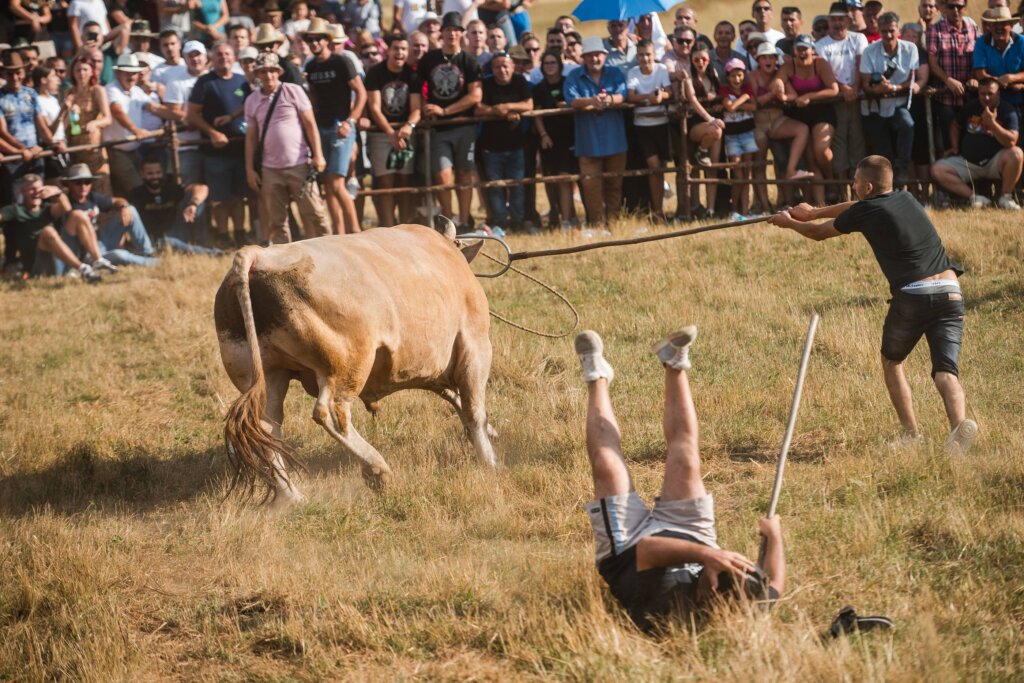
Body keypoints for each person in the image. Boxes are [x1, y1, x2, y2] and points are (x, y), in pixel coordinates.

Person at [573, 326, 785, 634]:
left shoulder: (669, 609)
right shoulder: (745, 604)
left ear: (704, 589)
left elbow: (649, 549)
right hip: (692, 538)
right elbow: (774, 584)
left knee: (607, 465)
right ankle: (673, 361)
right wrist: (774, 535)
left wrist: (709, 555)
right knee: (686, 460)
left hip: (630, 550)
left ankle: (597, 376)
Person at [770, 155, 978, 453]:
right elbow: (855, 208)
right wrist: (814, 212)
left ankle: (912, 435)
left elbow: (819, 235)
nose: (852, 186)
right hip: (950, 290)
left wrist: (788, 223)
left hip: (914, 293)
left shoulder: (867, 210)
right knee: (946, 371)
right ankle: (958, 427)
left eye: (855, 182)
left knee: (892, 363)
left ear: (867, 186)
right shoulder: (907, 199)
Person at [244, 51, 329, 244]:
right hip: (270, 168)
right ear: (257, 74)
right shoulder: (252, 101)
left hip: (299, 163)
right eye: (263, 71)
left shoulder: (293, 91)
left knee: (316, 214)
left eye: (272, 70)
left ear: (279, 72)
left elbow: (310, 124)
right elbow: (251, 138)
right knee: (277, 222)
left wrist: (318, 155)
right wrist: (250, 169)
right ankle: (286, 266)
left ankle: (330, 253)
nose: (268, 75)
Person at [416, 11, 482, 231]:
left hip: (464, 125)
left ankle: (464, 221)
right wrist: (422, 110)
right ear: (441, 33)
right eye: (448, 30)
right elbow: (417, 90)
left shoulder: (469, 61)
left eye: (456, 30)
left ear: (461, 34)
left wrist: (445, 110)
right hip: (439, 129)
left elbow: (475, 96)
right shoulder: (429, 59)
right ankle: (449, 220)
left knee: (464, 173)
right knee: (442, 176)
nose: (452, 34)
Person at [185, 41, 250, 245]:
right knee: (220, 199)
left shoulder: (243, 81)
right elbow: (192, 114)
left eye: (227, 54)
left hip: (241, 149)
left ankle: (240, 233)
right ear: (212, 59)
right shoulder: (205, 82)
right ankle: (223, 236)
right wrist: (212, 133)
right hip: (215, 152)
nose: (224, 58)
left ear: (234, 57)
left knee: (240, 198)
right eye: (219, 54)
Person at [1, 173, 114, 282]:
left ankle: (98, 260)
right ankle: (82, 269)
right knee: (48, 231)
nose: (36, 192)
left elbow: (66, 208)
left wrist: (58, 193)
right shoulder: (15, 210)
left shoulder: (46, 209)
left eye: (39, 189)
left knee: (78, 214)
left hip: (58, 259)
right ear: (22, 192)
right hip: (39, 268)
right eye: (32, 189)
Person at [564, 36, 628, 227]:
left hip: (614, 139)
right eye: (590, 56)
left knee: (614, 184)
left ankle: (614, 222)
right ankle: (596, 224)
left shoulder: (615, 73)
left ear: (605, 55)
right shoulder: (574, 76)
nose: (594, 59)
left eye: (598, 55)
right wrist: (591, 101)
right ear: (583, 57)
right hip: (588, 141)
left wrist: (609, 100)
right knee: (591, 186)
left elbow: (622, 94)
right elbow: (571, 99)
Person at [930, 77, 1022, 209]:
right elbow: (955, 125)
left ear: (998, 94)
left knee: (1017, 154)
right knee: (937, 169)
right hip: (968, 162)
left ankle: (1005, 198)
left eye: (990, 94)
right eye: (982, 94)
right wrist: (955, 147)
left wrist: (992, 123)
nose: (986, 98)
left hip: (995, 163)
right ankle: (975, 198)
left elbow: (1011, 142)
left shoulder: (1007, 110)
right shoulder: (971, 106)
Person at [748, 41, 813, 209]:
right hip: (759, 124)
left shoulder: (779, 75)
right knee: (760, 165)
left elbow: (792, 95)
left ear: (777, 60)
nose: (769, 60)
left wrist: (783, 97)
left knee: (802, 129)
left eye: (772, 57)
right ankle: (765, 206)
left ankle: (791, 171)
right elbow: (756, 101)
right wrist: (773, 94)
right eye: (764, 57)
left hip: (777, 121)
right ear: (758, 60)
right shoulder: (753, 76)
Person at [365, 33, 421, 227]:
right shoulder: (375, 73)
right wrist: (390, 133)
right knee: (385, 183)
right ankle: (389, 227)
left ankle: (404, 227)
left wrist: (409, 125)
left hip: (405, 133)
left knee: (405, 181)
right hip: (381, 134)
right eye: (396, 48)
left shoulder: (412, 73)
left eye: (404, 49)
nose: (400, 53)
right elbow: (374, 108)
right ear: (388, 50)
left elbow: (416, 108)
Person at [475, 50, 532, 234]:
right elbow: (477, 109)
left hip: (516, 144)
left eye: (505, 66)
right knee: (495, 186)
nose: (502, 70)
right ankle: (500, 221)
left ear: (513, 67)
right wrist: (495, 110)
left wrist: (508, 107)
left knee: (516, 185)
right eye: (498, 67)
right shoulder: (487, 84)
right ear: (492, 69)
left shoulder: (520, 81)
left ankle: (517, 220)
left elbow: (528, 105)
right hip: (491, 146)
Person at [61, 161, 160, 269]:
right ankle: (157, 263)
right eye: (78, 182)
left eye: (87, 182)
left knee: (130, 209)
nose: (83, 186)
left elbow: (119, 201)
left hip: (101, 242)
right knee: (120, 255)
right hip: (85, 254)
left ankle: (148, 252)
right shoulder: (66, 204)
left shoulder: (91, 197)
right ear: (69, 184)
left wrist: (123, 207)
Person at [860, 12, 919, 185]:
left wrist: (892, 88)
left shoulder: (910, 49)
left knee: (907, 125)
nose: (888, 35)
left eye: (892, 31)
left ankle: (902, 169)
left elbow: (912, 80)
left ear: (898, 30)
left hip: (899, 104)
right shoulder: (869, 51)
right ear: (879, 30)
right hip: (875, 107)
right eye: (884, 31)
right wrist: (876, 89)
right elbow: (865, 82)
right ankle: (887, 185)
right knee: (882, 151)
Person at [778, 34, 839, 204]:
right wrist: (779, 86)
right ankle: (820, 205)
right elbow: (777, 81)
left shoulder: (820, 64)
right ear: (794, 52)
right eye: (799, 49)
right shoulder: (789, 66)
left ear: (813, 50)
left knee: (821, 150)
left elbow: (834, 90)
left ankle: (831, 180)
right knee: (811, 161)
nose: (803, 53)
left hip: (822, 112)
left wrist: (810, 97)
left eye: (806, 49)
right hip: (800, 116)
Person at [816, 2, 868, 190]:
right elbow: (825, 72)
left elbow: (861, 65)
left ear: (848, 19)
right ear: (828, 20)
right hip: (835, 101)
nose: (837, 23)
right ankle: (841, 194)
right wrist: (844, 88)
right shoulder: (821, 45)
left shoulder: (858, 38)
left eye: (841, 18)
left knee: (857, 143)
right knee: (839, 145)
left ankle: (859, 191)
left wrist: (855, 87)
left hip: (857, 98)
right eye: (833, 19)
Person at [127, 154, 223, 254]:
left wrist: (193, 204)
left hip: (177, 232)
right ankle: (212, 253)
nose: (155, 176)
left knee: (197, 202)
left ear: (163, 173)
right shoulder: (135, 194)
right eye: (150, 174)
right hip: (154, 240)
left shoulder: (171, 189)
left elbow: (203, 188)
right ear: (142, 174)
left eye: (158, 172)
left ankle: (201, 243)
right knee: (168, 242)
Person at [627, 39, 673, 223]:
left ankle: (659, 210)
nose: (645, 58)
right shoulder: (633, 72)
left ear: (654, 55)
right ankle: (657, 210)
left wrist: (661, 96)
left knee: (661, 168)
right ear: (636, 56)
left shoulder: (661, 70)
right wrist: (649, 97)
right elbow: (630, 96)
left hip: (661, 123)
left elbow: (669, 92)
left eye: (648, 54)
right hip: (643, 126)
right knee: (654, 167)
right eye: (641, 55)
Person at [104, 53, 162, 196]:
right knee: (137, 189)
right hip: (117, 150)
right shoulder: (111, 89)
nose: (131, 77)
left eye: (134, 73)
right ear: (118, 73)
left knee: (138, 188)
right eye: (127, 73)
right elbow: (117, 111)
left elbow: (154, 108)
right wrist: (135, 130)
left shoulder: (136, 91)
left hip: (134, 149)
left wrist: (181, 117)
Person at [927, 0, 980, 154]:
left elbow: (978, 59)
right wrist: (948, 80)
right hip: (946, 97)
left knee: (972, 137)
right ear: (944, 8)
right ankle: (950, 174)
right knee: (950, 142)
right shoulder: (934, 30)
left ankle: (971, 175)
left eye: (959, 6)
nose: (955, 10)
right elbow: (933, 63)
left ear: (965, 8)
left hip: (970, 96)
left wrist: (974, 77)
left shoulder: (973, 29)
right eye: (951, 6)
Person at [532, 49, 577, 230]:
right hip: (548, 139)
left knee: (565, 179)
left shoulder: (568, 84)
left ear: (560, 65)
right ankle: (555, 215)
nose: (550, 66)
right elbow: (537, 114)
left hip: (569, 137)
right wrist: (543, 135)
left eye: (553, 63)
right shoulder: (539, 88)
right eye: (546, 63)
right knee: (550, 179)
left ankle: (567, 219)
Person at [679, 47, 724, 218]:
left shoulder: (714, 76)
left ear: (709, 59)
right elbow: (693, 100)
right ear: (691, 60)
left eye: (704, 59)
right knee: (716, 131)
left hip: (715, 122)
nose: (700, 63)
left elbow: (723, 94)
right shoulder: (689, 79)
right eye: (696, 59)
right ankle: (701, 150)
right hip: (698, 124)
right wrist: (710, 118)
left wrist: (719, 105)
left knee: (712, 167)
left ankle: (711, 209)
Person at [61, 52, 112, 194]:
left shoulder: (97, 90)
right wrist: (68, 109)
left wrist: (95, 123)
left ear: (91, 72)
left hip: (93, 145)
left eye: (85, 69)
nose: (81, 73)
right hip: (75, 144)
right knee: (79, 187)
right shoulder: (69, 93)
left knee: (100, 185)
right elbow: (64, 123)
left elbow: (108, 118)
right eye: (78, 70)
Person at [163, 40, 208, 186]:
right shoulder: (175, 82)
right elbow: (172, 112)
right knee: (189, 189)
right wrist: (194, 121)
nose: (195, 59)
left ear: (205, 57)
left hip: (211, 145)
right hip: (187, 146)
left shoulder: (214, 78)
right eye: (190, 56)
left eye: (198, 55)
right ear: (185, 58)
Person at [720, 58, 758, 219]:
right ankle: (733, 208)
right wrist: (744, 98)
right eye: (733, 76)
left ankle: (744, 210)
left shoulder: (747, 88)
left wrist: (738, 102)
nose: (737, 79)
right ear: (728, 77)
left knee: (747, 174)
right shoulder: (724, 90)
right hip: (732, 137)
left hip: (748, 133)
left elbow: (754, 107)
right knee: (738, 175)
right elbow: (729, 106)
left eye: (740, 75)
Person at [972, 8, 1024, 111]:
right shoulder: (981, 43)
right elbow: (980, 74)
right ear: (990, 27)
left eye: (1003, 23)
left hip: (1018, 102)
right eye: (995, 24)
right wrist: (1007, 84)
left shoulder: (1021, 42)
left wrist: (1011, 78)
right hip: (990, 102)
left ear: (1011, 26)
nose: (999, 27)